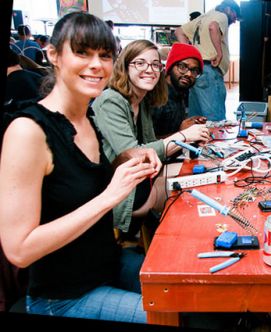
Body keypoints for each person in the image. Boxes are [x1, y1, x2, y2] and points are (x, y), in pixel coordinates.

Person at [0, 11, 161, 323]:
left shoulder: (87, 119)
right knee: (175, 315)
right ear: (54, 55)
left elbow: (85, 178)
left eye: (104, 55)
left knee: (192, 291)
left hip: (106, 264)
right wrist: (109, 197)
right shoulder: (27, 131)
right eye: (82, 52)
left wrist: (130, 160)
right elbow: (19, 249)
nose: (96, 65)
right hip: (62, 298)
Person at [92, 39, 211, 239]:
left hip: (143, 179)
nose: (150, 69)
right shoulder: (110, 101)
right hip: (123, 193)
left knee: (204, 174)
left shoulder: (142, 100)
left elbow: (152, 146)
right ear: (125, 65)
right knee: (191, 188)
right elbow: (136, 155)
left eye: (155, 64)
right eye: (140, 63)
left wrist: (188, 141)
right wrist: (183, 136)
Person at [174, 0, 241, 121]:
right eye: (235, 15)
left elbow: (179, 31)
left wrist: (191, 54)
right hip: (210, 71)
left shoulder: (202, 18)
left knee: (196, 119)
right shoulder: (222, 16)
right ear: (229, 9)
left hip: (196, 71)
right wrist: (219, 52)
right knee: (215, 120)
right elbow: (213, 27)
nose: (235, 20)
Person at [151, 42, 207, 138]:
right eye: (182, 67)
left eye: (194, 71)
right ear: (170, 67)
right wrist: (183, 134)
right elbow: (147, 144)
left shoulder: (179, 92)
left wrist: (188, 124)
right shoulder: (156, 97)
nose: (189, 74)